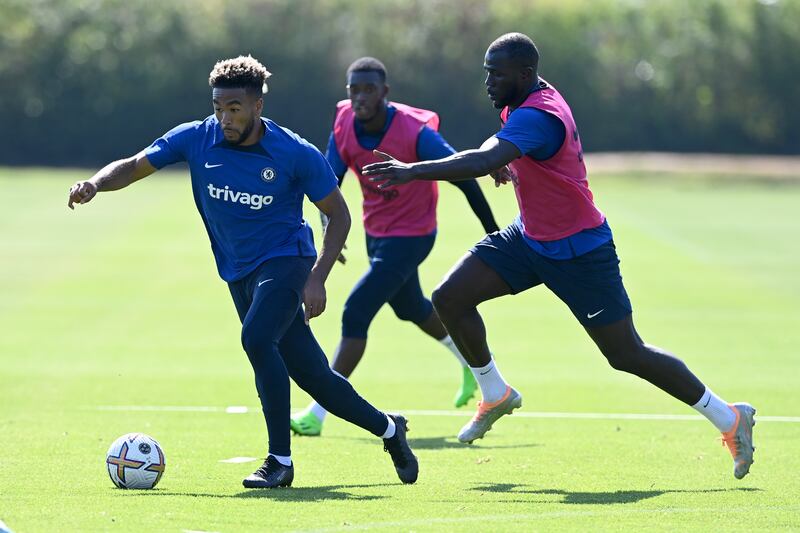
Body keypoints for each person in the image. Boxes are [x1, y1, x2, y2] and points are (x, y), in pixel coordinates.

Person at [363, 33, 756, 479]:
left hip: (579, 251)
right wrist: (504, 162)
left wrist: (411, 170)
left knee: (626, 353)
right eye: (487, 71)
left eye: (497, 74)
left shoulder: (540, 113)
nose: (488, 81)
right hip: (531, 239)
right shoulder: (524, 97)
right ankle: (495, 392)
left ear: (525, 75)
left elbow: (483, 156)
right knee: (450, 296)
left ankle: (729, 418)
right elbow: (506, 145)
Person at [67, 55, 418, 488]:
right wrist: (95, 185)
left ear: (257, 106)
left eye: (234, 108)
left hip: (287, 261)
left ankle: (280, 461)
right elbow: (135, 164)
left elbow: (339, 216)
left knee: (256, 338)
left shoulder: (295, 153)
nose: (224, 118)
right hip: (238, 272)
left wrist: (317, 276)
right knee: (312, 375)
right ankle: (389, 428)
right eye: (218, 107)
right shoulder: (196, 138)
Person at [291, 57, 500, 436]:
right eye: (354, 89)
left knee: (356, 312)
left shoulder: (414, 132)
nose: (360, 97)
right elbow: (328, 182)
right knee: (409, 307)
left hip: (414, 235)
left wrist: (493, 232)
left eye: (369, 89)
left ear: (385, 93)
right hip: (377, 234)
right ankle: (472, 365)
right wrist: (328, 234)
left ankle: (317, 413)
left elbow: (464, 175)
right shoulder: (344, 123)